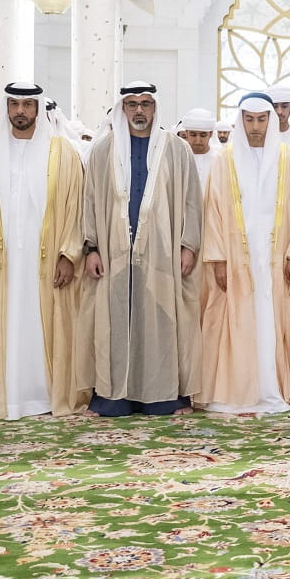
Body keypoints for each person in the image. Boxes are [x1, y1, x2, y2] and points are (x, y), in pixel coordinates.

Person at [0, 84, 88, 420]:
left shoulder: (63, 152)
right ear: (7, 108)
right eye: (15, 104)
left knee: (47, 323)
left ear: (38, 108)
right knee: (5, 324)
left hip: (48, 261)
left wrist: (69, 254)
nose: (21, 111)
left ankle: (46, 396)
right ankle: (7, 398)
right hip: (0, 264)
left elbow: (76, 207)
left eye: (28, 105)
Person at [81, 83, 203, 416]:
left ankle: (164, 395)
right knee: (116, 320)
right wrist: (91, 247)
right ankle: (113, 396)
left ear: (155, 108)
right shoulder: (104, 150)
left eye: (146, 104)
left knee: (162, 319)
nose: (139, 111)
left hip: (162, 255)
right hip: (112, 252)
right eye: (132, 104)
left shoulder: (177, 149)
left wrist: (188, 245)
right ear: (123, 109)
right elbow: (90, 201)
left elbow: (192, 201)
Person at [199, 93, 290, 415]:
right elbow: (213, 211)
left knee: (273, 319)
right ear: (240, 120)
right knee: (235, 319)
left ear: (271, 121)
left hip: (276, 258)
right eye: (249, 119)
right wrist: (218, 258)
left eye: (262, 120)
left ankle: (272, 389)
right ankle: (233, 392)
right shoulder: (225, 159)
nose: (255, 127)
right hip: (235, 258)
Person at [179, 109, 219, 188]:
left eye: (203, 135)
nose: (198, 140)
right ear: (186, 133)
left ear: (210, 134)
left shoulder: (218, 158)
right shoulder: (179, 158)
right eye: (193, 135)